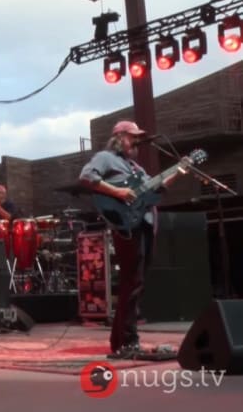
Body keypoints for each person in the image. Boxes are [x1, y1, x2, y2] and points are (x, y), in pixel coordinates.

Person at [79, 120, 185, 359]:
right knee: (132, 281)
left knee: (136, 282)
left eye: (138, 137)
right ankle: (127, 340)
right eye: (132, 137)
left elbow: (155, 190)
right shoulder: (106, 157)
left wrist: (178, 171)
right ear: (119, 138)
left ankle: (120, 340)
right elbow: (86, 176)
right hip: (127, 224)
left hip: (143, 224)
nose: (137, 141)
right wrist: (118, 191)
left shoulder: (136, 168)